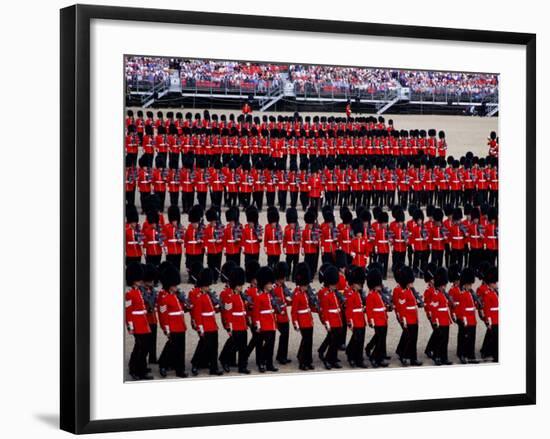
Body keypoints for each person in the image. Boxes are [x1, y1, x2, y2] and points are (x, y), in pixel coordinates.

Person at [157, 263, 188, 378]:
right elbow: (163, 315)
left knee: (181, 349)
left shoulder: (175, 294)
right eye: (174, 285)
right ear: (169, 284)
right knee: (171, 347)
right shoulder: (163, 296)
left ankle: (180, 369)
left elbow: (180, 309)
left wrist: (186, 307)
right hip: (172, 326)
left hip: (180, 325)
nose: (176, 287)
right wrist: (166, 329)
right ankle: (163, 365)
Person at [190, 268, 223, 376]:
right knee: (203, 346)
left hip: (212, 324)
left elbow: (213, 310)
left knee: (214, 347)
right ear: (202, 285)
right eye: (207, 286)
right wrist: (200, 328)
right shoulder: (199, 297)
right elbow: (197, 314)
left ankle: (214, 368)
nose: (208, 288)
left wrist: (218, 307)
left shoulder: (208, 295)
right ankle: (195, 363)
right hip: (205, 325)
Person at [125, 262, 153, 380]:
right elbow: (128, 312)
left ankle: (137, 367)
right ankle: (136, 370)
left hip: (143, 322)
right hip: (137, 324)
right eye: (138, 279)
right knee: (140, 348)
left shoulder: (138, 291)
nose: (140, 281)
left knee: (143, 347)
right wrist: (130, 326)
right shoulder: (129, 294)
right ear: (133, 280)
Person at [224, 266, 252, 373]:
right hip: (235, 325)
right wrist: (229, 327)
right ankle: (224, 360)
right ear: (235, 285)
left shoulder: (241, 296)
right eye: (240, 285)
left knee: (243, 348)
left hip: (242, 324)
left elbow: (243, 310)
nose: (241, 287)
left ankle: (242, 367)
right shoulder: (229, 297)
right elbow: (228, 313)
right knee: (232, 346)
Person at [393, 265, 422, 366]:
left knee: (413, 338)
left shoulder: (409, 290)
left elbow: (413, 303)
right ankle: (404, 356)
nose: (412, 284)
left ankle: (413, 358)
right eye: (410, 282)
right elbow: (401, 308)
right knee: (409, 337)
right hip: (407, 318)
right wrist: (403, 320)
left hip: (413, 317)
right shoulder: (400, 291)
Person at [317, 264, 343, 369]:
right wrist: (326, 322)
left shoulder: (332, 292)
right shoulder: (325, 293)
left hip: (337, 319)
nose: (335, 285)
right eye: (333, 284)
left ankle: (331, 357)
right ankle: (328, 359)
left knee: (334, 340)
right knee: (332, 340)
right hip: (331, 320)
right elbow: (324, 309)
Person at [253, 266, 279, 373]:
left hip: (271, 322)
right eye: (269, 283)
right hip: (264, 324)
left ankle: (269, 364)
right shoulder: (259, 296)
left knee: (271, 345)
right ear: (264, 284)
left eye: (271, 283)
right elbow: (256, 312)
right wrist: (258, 325)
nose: (271, 285)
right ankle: (261, 363)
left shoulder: (270, 295)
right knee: (266, 345)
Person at [291, 262, 315, 370]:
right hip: (302, 321)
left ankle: (308, 360)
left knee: (309, 341)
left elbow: (309, 307)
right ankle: (302, 362)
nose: (307, 286)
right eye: (305, 285)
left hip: (308, 320)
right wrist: (295, 323)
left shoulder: (305, 293)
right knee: (305, 341)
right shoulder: (297, 294)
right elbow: (294, 311)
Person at [365, 267, 389, 368]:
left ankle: (369, 348)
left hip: (383, 319)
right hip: (377, 321)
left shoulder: (378, 294)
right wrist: (371, 321)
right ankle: (375, 358)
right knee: (379, 340)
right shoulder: (371, 295)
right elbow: (369, 310)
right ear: (374, 285)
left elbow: (381, 306)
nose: (381, 286)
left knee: (380, 338)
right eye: (379, 285)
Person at [344, 266, 368, 368]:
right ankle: (352, 357)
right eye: (359, 284)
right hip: (355, 320)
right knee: (356, 339)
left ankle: (358, 358)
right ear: (354, 284)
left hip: (361, 319)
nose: (361, 286)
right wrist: (350, 322)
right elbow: (348, 310)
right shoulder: (349, 293)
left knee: (360, 340)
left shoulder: (358, 293)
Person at [454, 267, 479, 364]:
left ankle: (471, 355)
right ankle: (463, 355)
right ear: (464, 284)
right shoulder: (462, 294)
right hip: (466, 320)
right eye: (469, 284)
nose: (470, 286)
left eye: (471, 284)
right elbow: (461, 309)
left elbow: (473, 306)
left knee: (472, 338)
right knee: (465, 338)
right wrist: (464, 320)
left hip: (472, 319)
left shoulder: (470, 293)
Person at [429, 267, 453, 365]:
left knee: (445, 340)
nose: (444, 287)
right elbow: (434, 310)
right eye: (443, 285)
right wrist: (435, 322)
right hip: (439, 321)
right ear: (439, 285)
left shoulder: (443, 294)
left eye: (445, 285)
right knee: (439, 340)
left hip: (445, 321)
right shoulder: (435, 295)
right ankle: (437, 356)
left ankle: (444, 357)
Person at [273, 262, 292, 365]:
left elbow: (285, 300)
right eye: (283, 277)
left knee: (285, 336)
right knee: (283, 336)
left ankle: (282, 356)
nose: (284, 279)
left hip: (285, 316)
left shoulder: (281, 286)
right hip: (279, 316)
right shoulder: (275, 288)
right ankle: (281, 356)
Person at [481, 265, 499, 362]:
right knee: (495, 337)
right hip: (493, 319)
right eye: (494, 282)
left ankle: (487, 351)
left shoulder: (495, 292)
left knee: (493, 336)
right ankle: (495, 355)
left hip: (497, 317)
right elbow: (487, 309)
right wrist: (489, 322)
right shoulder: (488, 294)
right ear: (491, 284)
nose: (496, 284)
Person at [203, 207, 224, 282]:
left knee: (217, 264)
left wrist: (220, 241)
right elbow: (205, 239)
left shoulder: (219, 228)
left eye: (214, 221)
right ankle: (211, 277)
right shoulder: (206, 228)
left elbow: (223, 237)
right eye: (212, 221)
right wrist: (206, 248)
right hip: (210, 249)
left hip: (218, 248)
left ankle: (215, 277)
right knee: (210, 264)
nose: (213, 223)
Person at [184, 205, 204, 281]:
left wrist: (201, 242)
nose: (194, 224)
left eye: (196, 223)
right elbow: (186, 240)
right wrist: (185, 249)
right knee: (190, 266)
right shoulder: (188, 230)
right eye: (193, 223)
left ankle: (198, 277)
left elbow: (204, 240)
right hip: (190, 250)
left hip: (198, 250)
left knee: (198, 265)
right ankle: (191, 278)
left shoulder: (201, 230)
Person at [163, 205, 184, 271]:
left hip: (178, 250)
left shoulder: (180, 227)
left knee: (177, 265)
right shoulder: (166, 227)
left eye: (176, 220)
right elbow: (165, 238)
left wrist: (181, 240)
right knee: (170, 266)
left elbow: (183, 236)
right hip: (170, 249)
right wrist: (165, 248)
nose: (175, 222)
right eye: (174, 221)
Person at [283, 207, 301, 279]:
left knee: (296, 264)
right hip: (289, 249)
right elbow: (285, 239)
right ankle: (287, 275)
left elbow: (300, 239)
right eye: (291, 223)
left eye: (293, 223)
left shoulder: (297, 229)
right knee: (288, 263)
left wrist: (298, 242)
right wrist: (284, 247)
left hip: (296, 249)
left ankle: (294, 276)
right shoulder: (286, 228)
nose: (292, 225)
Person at [301, 208, 320, 278]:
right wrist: (302, 249)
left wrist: (315, 242)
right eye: (309, 224)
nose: (310, 226)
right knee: (306, 263)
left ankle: (311, 275)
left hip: (313, 250)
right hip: (307, 250)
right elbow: (303, 240)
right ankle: (307, 275)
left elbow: (317, 242)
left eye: (311, 224)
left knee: (312, 264)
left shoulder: (315, 230)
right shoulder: (304, 231)